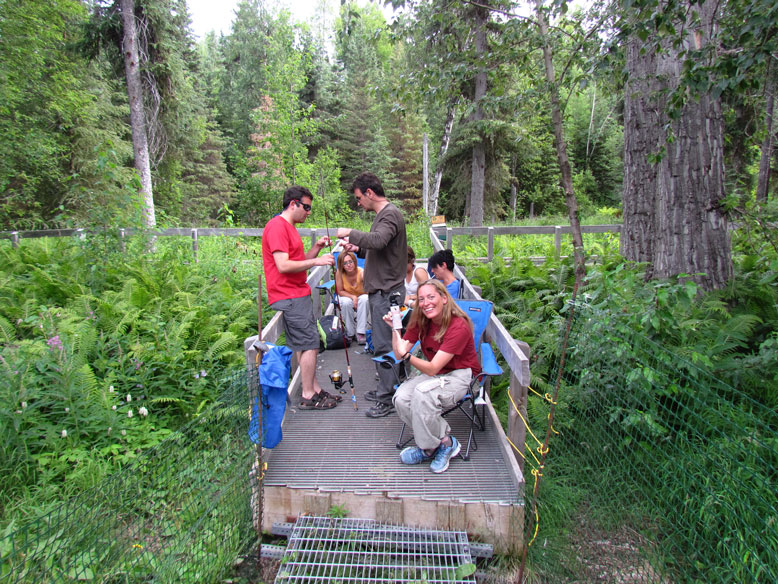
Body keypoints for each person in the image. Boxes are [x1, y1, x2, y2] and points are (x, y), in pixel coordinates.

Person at [383, 279, 481, 473]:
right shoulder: (421, 320)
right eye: (421, 299)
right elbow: (398, 353)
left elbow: (432, 368)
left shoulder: (458, 326)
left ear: (444, 298)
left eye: (431, 297)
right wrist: (395, 328)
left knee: (422, 394)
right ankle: (441, 443)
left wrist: (407, 356)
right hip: (435, 375)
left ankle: (430, 447)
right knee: (401, 399)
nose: (426, 303)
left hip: (460, 376)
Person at [337, 172, 407, 418]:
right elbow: (378, 247)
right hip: (383, 291)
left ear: (369, 192)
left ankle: (387, 398)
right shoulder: (383, 216)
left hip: (387, 294)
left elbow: (378, 240)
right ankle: (386, 389)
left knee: (384, 346)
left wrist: (351, 233)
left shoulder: (389, 214)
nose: (359, 203)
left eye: (359, 197)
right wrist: (359, 248)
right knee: (384, 343)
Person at [262, 185, 339, 410]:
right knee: (309, 343)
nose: (308, 212)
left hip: (297, 293)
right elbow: (283, 266)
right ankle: (307, 395)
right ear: (293, 204)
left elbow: (297, 262)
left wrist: (314, 249)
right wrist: (317, 261)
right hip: (289, 296)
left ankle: (314, 388)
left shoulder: (290, 227)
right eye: (306, 207)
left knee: (310, 343)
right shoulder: (277, 227)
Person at [335, 250, 369, 344]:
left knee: (365, 299)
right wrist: (353, 297)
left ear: (354, 261)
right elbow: (340, 291)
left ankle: (360, 332)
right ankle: (350, 333)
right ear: (341, 265)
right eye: (345, 263)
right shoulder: (340, 273)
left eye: (350, 262)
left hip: (362, 297)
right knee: (346, 302)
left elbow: (369, 290)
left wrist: (357, 297)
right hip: (346, 296)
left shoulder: (361, 273)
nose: (349, 265)